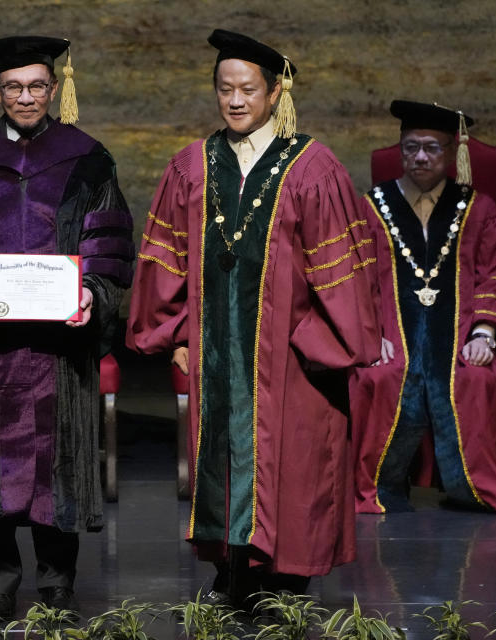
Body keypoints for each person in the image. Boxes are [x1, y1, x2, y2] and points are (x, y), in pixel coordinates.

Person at [125, 29, 380, 609]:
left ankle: (288, 580)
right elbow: (167, 261)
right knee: (223, 460)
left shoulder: (312, 168)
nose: (236, 101)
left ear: (274, 93)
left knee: (295, 463)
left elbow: (341, 274)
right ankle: (233, 571)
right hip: (218, 349)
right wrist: (175, 335)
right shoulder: (193, 164)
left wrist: (318, 341)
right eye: (224, 89)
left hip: (290, 354)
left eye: (248, 90)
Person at [0, 35, 134, 619]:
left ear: (55, 89)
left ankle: (58, 581)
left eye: (37, 85)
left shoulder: (87, 157)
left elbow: (108, 241)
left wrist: (91, 291)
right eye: (14, 86)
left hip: (61, 344)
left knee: (60, 457)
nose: (26, 96)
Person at [351, 100, 496, 514]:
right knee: (381, 380)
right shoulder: (371, 207)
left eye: (432, 148)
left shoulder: (478, 208)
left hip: (459, 334)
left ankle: (470, 490)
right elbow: (359, 279)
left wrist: (484, 334)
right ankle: (380, 488)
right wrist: (371, 336)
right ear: (399, 151)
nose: (420, 156)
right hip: (390, 333)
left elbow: (494, 273)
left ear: (452, 153)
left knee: (476, 382)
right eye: (412, 147)